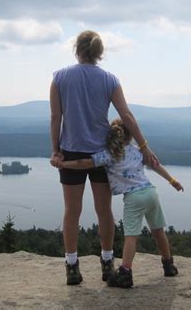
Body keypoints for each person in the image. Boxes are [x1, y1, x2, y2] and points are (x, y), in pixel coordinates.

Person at [50, 30, 159, 285]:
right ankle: (108, 262)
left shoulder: (60, 77)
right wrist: (143, 146)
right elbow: (127, 116)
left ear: (77, 50)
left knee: (71, 211)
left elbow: (56, 118)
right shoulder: (110, 79)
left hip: (71, 150)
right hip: (103, 152)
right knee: (104, 210)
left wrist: (55, 151)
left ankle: (72, 267)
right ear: (99, 53)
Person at [59, 118, 184, 288]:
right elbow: (155, 164)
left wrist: (63, 163)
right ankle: (168, 265)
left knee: (131, 237)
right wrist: (172, 180)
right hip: (151, 192)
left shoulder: (109, 155)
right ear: (130, 136)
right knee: (158, 231)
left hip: (134, 199)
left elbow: (85, 163)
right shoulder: (138, 150)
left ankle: (125, 272)